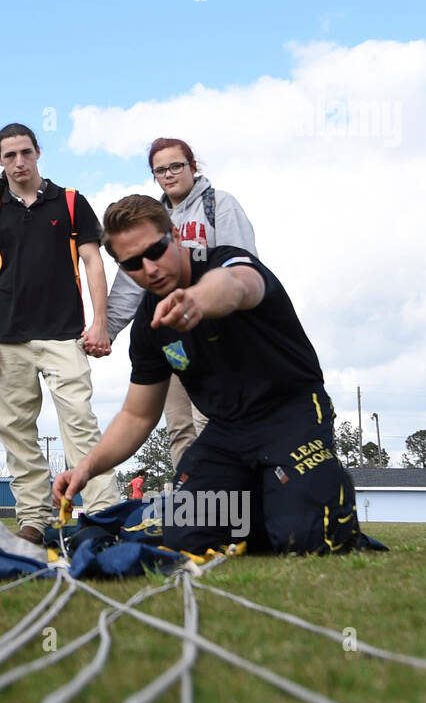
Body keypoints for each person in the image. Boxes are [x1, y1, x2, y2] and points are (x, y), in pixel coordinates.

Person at [54, 194, 362, 556]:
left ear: (176, 234)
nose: (150, 268)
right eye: (134, 263)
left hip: (292, 416)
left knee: (303, 539)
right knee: (184, 537)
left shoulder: (228, 262)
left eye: (155, 250)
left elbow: (238, 286)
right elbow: (137, 416)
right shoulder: (150, 326)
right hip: (228, 433)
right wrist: (86, 468)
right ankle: (269, 501)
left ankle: (307, 494)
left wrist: (197, 300)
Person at [0, 123, 118, 546]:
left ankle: (104, 512)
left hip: (64, 335)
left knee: (80, 425)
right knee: (16, 432)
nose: (18, 162)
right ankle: (34, 520)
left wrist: (100, 321)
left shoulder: (70, 203)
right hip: (8, 338)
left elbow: (93, 263)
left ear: (38, 153)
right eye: (9, 155)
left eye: (25, 153)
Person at [107, 137, 258, 470]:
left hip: (218, 336)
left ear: (193, 166)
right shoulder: (151, 218)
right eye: (160, 170)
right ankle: (191, 502)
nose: (169, 175)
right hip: (171, 336)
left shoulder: (219, 205)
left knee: (212, 421)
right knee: (180, 427)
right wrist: (106, 329)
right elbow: (130, 284)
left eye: (176, 166)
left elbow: (241, 265)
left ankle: (228, 503)